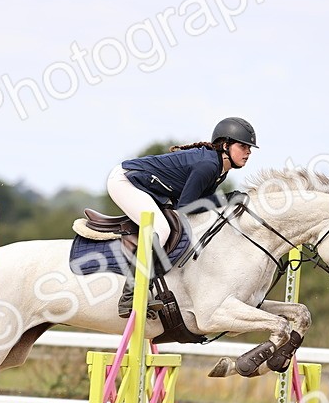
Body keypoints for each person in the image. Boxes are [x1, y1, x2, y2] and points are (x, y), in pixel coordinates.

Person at [106, 116, 258, 317]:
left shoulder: (220, 169)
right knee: (161, 229)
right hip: (124, 181)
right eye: (243, 146)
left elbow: (188, 204)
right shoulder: (208, 166)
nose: (248, 152)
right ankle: (130, 297)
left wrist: (225, 199)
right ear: (225, 145)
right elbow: (186, 207)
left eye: (249, 148)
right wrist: (225, 199)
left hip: (148, 187)